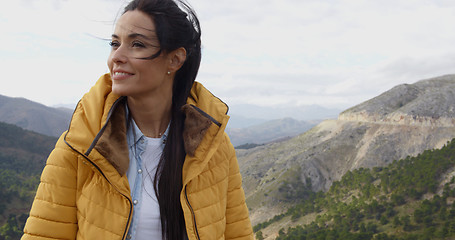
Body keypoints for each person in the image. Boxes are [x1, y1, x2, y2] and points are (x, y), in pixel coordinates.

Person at [21, 0, 253, 239]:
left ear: (175, 60)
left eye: (137, 44)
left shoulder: (214, 149)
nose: (117, 57)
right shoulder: (81, 145)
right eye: (114, 44)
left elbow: (238, 234)